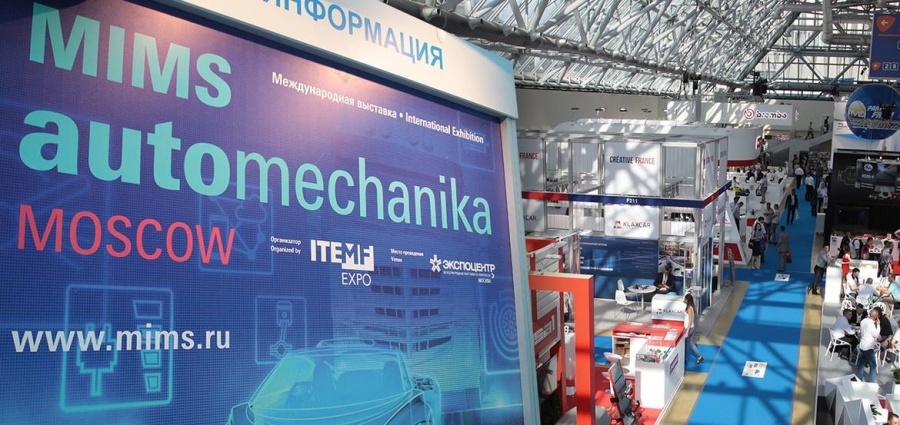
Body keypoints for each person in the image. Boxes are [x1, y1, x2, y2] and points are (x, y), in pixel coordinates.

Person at [856, 308, 880, 382]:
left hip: (862, 344)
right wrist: (878, 325)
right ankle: (871, 382)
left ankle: (858, 379)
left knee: (861, 364)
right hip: (868, 346)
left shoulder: (863, 321)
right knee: (873, 365)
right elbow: (876, 335)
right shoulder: (871, 324)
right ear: (876, 316)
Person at [683, 293, 704, 364]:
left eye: (685, 299)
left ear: (687, 300)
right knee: (691, 344)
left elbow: (690, 321)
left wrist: (687, 332)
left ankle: (685, 359)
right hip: (690, 328)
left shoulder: (689, 309)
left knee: (687, 345)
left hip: (688, 329)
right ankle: (699, 357)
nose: (684, 300)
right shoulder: (690, 307)